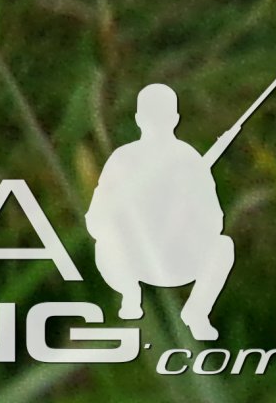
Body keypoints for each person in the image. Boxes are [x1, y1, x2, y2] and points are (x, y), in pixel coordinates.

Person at [89, 83, 239, 340]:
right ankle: (131, 298)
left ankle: (197, 312)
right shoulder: (123, 159)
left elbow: (215, 220)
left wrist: (186, 208)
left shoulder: (189, 159)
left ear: (174, 119)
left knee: (223, 247)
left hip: (179, 256)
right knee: (107, 241)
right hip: (133, 259)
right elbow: (96, 220)